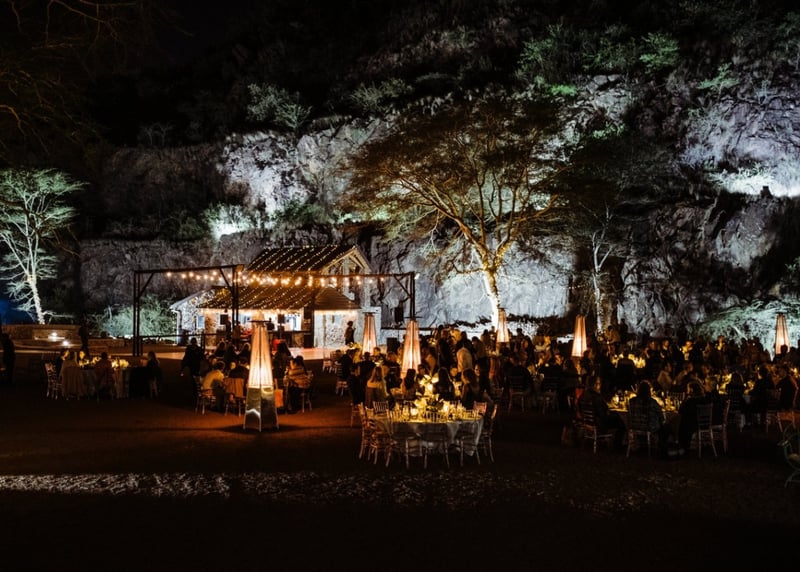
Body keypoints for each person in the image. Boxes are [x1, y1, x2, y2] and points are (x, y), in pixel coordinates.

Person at [578, 376, 626, 449]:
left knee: (618, 418)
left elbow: (580, 409)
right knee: (621, 421)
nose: (600, 386)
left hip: (587, 422)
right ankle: (617, 444)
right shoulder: (596, 397)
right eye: (599, 383)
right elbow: (603, 413)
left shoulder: (583, 396)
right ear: (595, 384)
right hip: (599, 423)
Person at [628, 380, 671, 455]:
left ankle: (643, 445)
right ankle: (662, 449)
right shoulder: (652, 402)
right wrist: (662, 420)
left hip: (634, 426)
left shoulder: (632, 401)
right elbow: (660, 414)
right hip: (649, 426)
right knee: (666, 428)